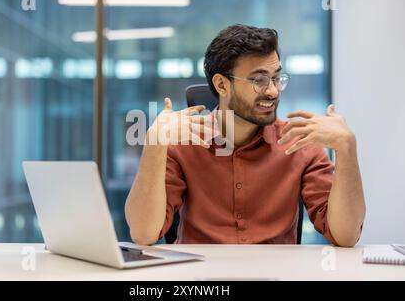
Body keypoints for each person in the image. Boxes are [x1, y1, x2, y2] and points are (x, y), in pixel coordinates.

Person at [125, 24, 365, 247]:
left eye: (276, 78)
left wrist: (347, 148)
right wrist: (154, 143)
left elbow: (345, 237)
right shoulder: (184, 143)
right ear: (221, 85)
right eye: (258, 80)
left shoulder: (299, 143)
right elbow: (143, 234)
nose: (272, 91)